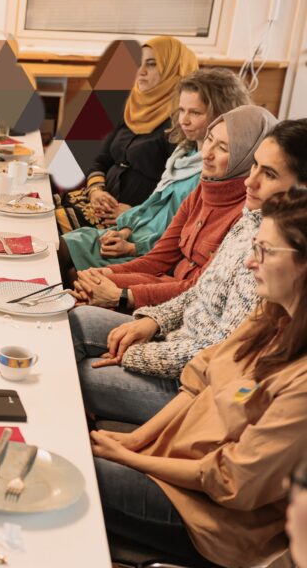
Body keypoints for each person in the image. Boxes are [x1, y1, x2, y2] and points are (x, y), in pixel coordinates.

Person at [91, 186, 307, 568]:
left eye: (265, 252)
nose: (249, 263)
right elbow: (199, 378)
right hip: (175, 462)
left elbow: (229, 480)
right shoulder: (272, 312)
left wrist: (133, 460)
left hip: (213, 522)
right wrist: (137, 441)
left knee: (75, 478)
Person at [71, 120, 307, 425]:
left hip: (189, 386)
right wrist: (153, 321)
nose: (251, 181)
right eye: (254, 166)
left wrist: (134, 352)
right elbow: (199, 290)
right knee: (75, 321)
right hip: (171, 343)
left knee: (74, 372)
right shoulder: (251, 217)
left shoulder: (275, 254)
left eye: (270, 174)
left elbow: (220, 353)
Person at [71, 104, 277, 312]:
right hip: (162, 286)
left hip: (177, 307)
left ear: (247, 156)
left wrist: (122, 295)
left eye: (223, 148)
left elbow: (196, 289)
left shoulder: (246, 215)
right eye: (209, 140)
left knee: (79, 311)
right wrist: (104, 274)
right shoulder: (204, 188)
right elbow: (159, 258)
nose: (207, 154)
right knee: (78, 280)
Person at [61, 69, 251, 273]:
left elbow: (188, 236)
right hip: (137, 233)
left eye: (195, 112)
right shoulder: (183, 153)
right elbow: (153, 205)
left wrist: (134, 247)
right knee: (65, 244)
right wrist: (125, 230)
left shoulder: (214, 170)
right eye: (181, 111)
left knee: (71, 266)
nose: (183, 120)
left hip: (154, 251)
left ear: (222, 116)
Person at [59, 37, 199, 230]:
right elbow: (102, 159)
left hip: (130, 219)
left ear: (174, 70)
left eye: (151, 65)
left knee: (46, 228)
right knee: (38, 209)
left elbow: (177, 193)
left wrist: (136, 213)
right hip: (98, 200)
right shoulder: (132, 110)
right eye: (139, 64)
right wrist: (96, 191)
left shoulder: (182, 125)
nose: (140, 72)